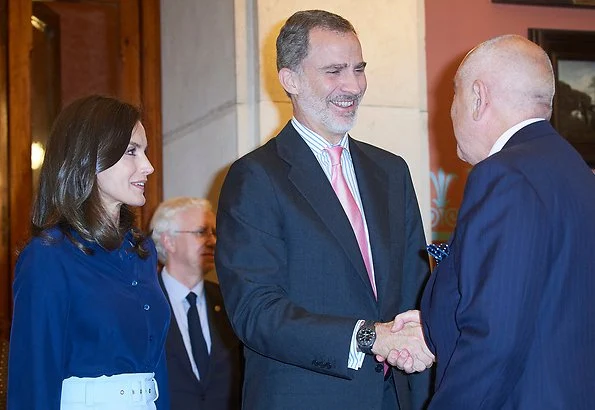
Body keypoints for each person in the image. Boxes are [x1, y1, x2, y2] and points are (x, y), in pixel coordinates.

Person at [215, 9, 433, 410]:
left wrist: (419, 334)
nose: (352, 85)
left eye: (358, 68)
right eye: (334, 71)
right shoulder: (255, 178)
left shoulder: (391, 171)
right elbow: (255, 312)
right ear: (290, 79)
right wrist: (369, 336)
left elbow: (414, 288)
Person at [389, 34, 595, 409]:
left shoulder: (503, 175)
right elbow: (538, 301)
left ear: (479, 98)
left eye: (454, 94)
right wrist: (434, 327)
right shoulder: (574, 170)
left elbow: (494, 339)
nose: (449, 110)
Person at [7, 95, 170, 410]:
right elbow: (33, 383)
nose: (148, 166)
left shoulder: (142, 252)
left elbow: (156, 366)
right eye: (131, 152)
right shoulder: (48, 256)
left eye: (145, 152)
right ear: (88, 157)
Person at [150, 197, 242, 410]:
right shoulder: (145, 304)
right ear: (168, 241)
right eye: (201, 232)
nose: (212, 241)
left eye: (214, 233)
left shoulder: (230, 301)